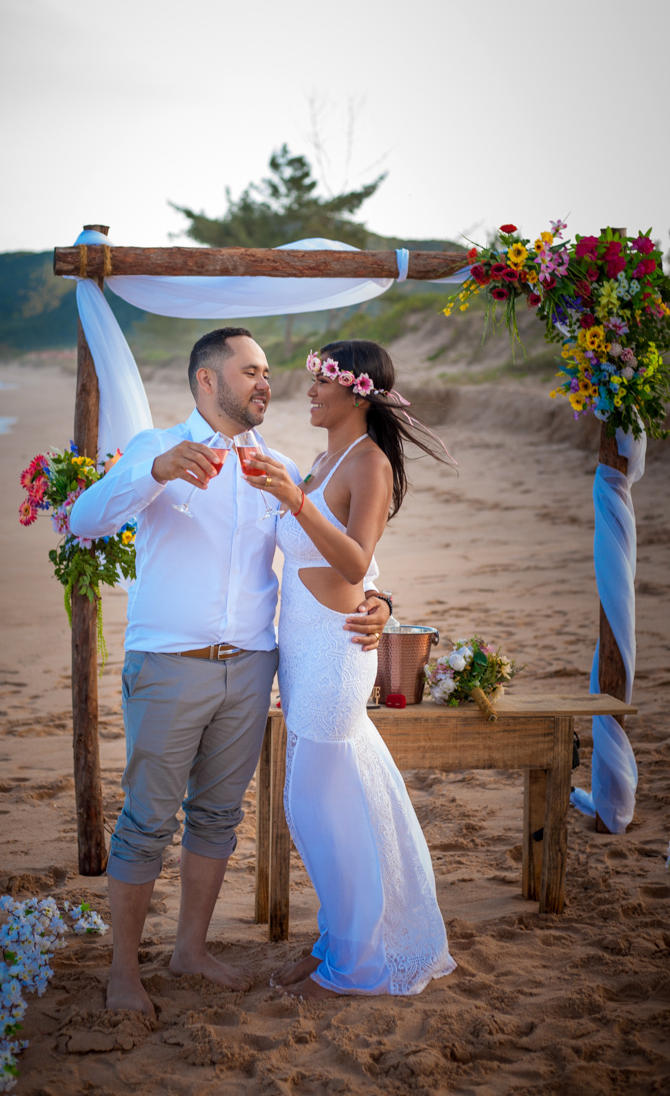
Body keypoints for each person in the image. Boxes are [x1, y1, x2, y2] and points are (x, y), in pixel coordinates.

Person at [68, 328, 389, 1015]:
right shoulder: (155, 448)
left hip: (252, 667)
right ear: (207, 381)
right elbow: (85, 521)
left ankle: (190, 949)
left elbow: (327, 550)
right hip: (169, 664)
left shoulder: (277, 465)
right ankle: (123, 968)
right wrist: (151, 474)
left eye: (268, 372)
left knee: (217, 817)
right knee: (146, 821)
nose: (265, 382)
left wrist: (378, 600)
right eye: (251, 372)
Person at [242, 340, 456, 999]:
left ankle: (356, 966)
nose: (308, 391)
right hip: (302, 650)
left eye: (318, 382)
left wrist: (295, 501)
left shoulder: (368, 463)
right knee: (328, 809)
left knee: (314, 808)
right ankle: (338, 943)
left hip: (336, 652)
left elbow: (356, 564)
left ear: (356, 392)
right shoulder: (321, 458)